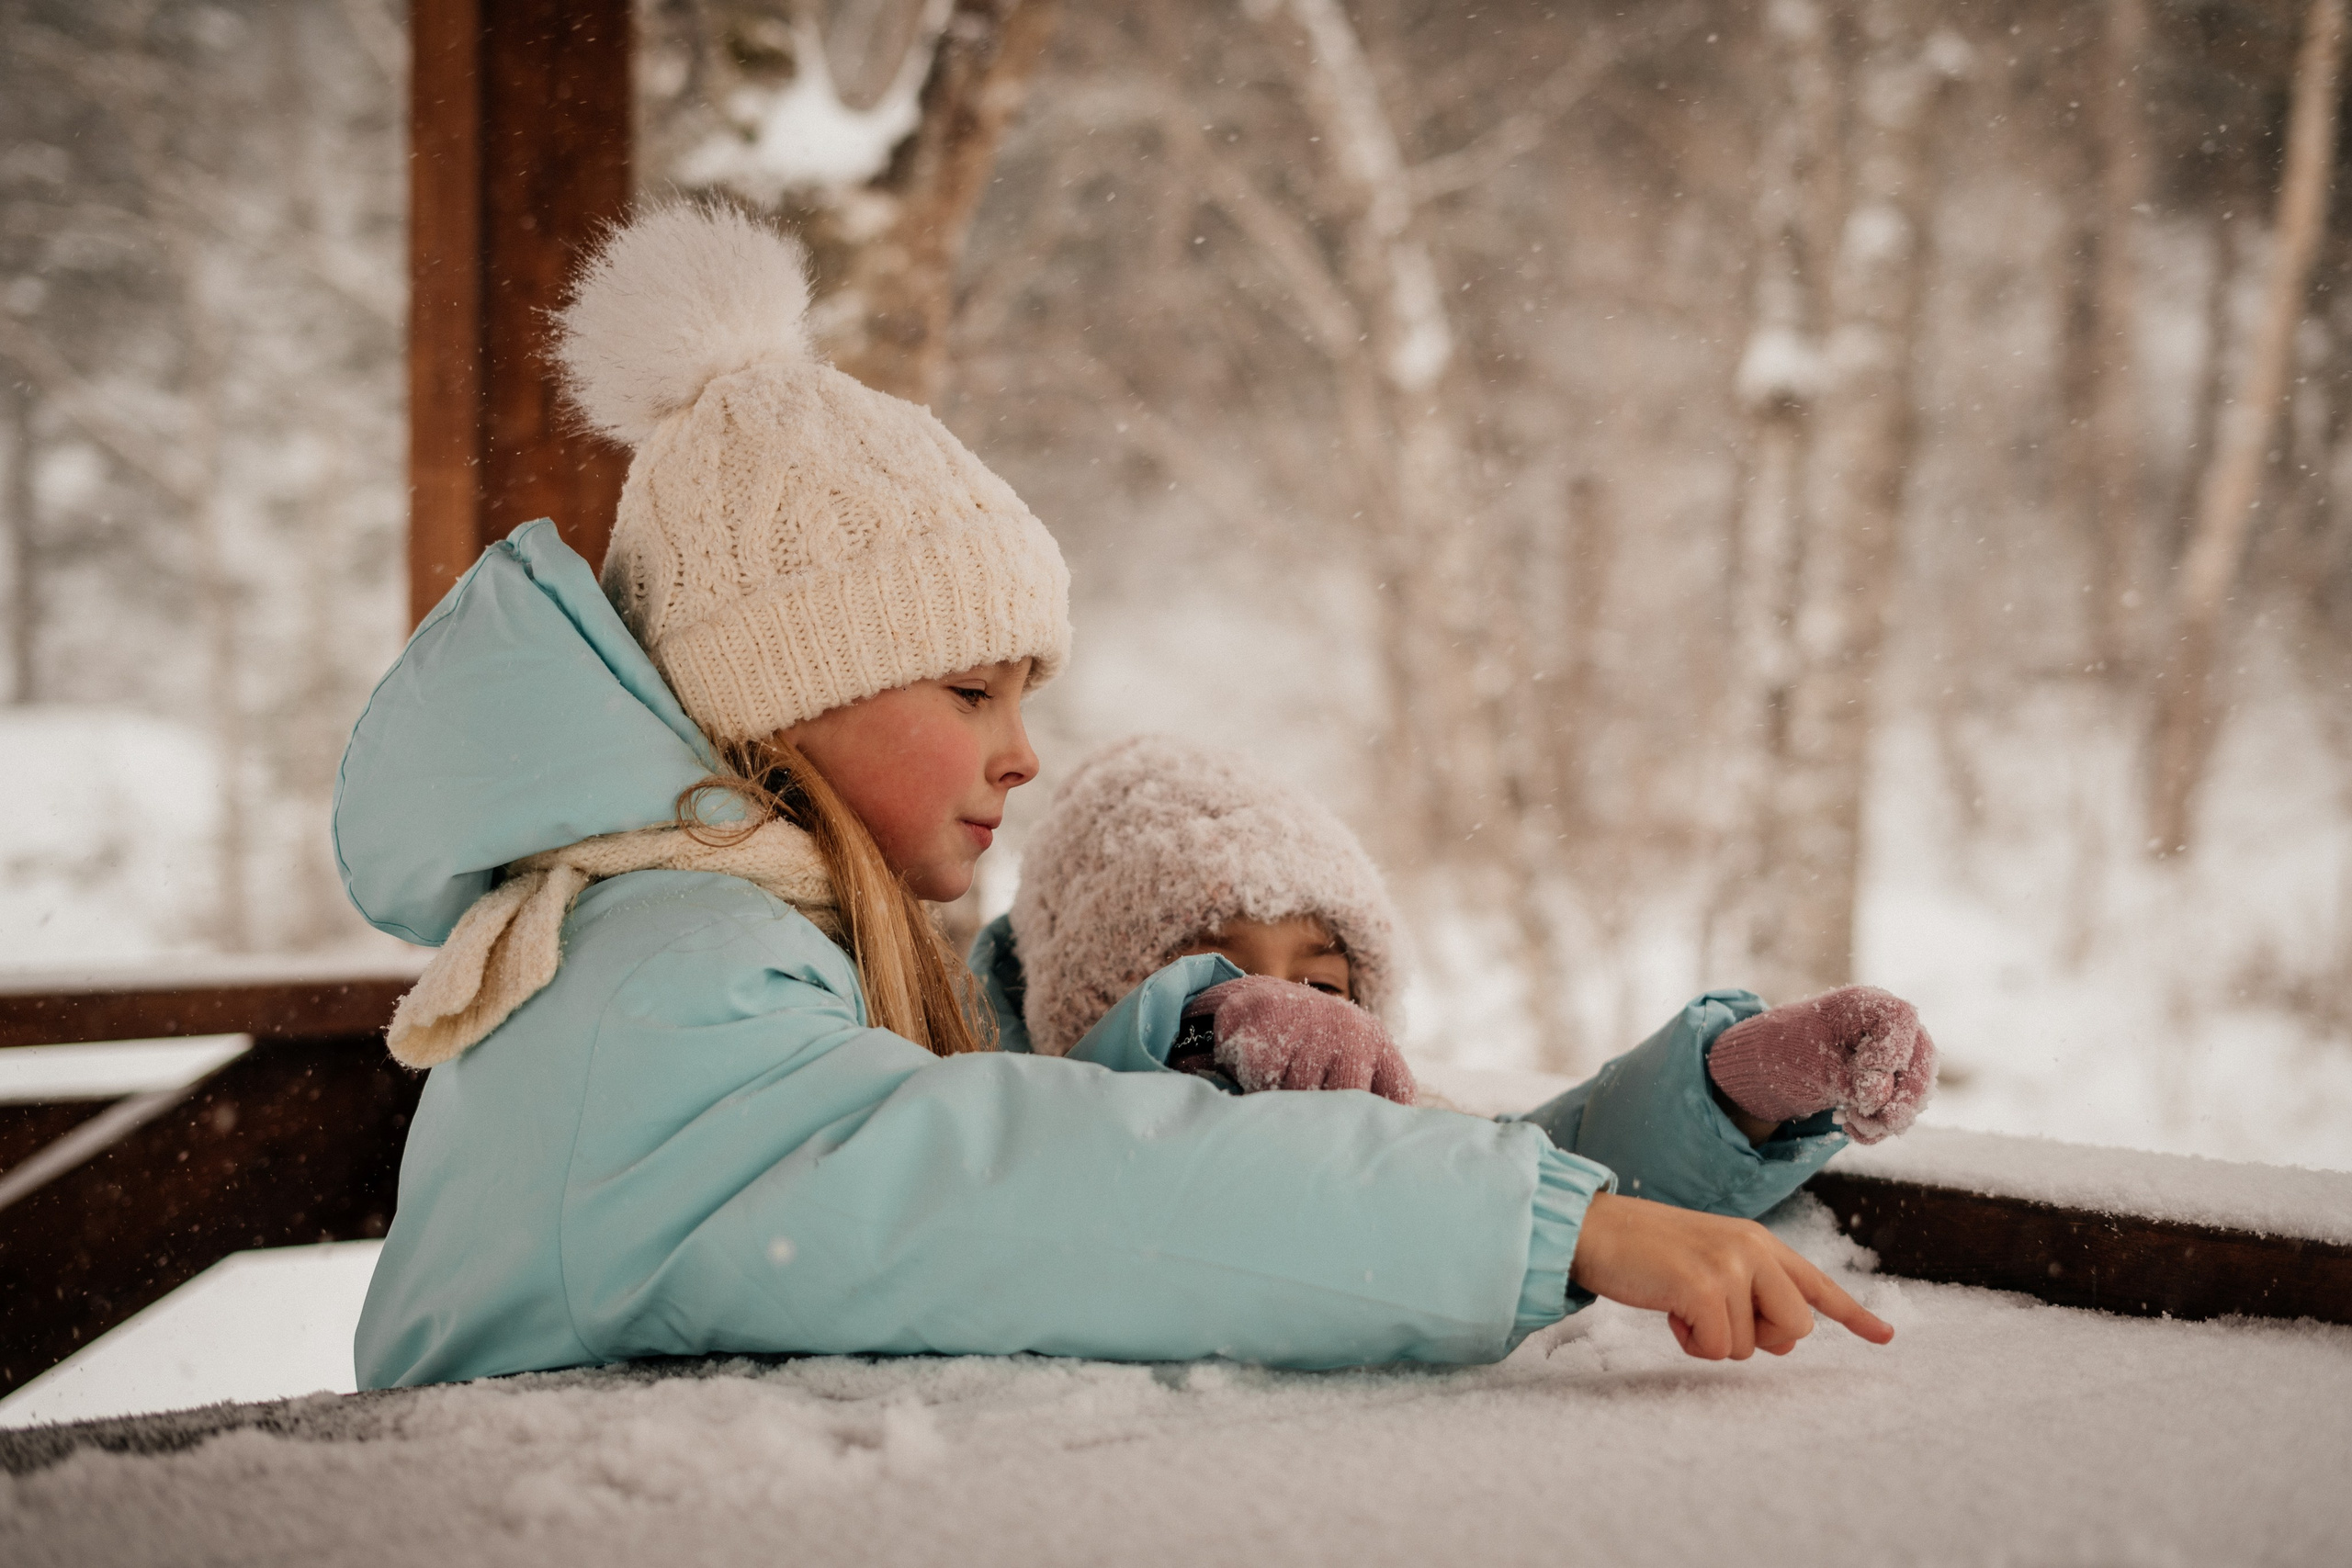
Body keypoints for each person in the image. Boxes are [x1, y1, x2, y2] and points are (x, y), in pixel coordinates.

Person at [341, 202, 1891, 1392]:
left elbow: (1005, 1121)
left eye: (1030, 694)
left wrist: (1184, 1037)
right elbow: (1041, 1191)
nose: (1022, 751)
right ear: (782, 697)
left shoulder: (749, 957)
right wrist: (1555, 1228)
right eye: (970, 690)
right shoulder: (670, 986)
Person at [978, 733, 1938, 1217]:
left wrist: (1735, 1091)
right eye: (1207, 981)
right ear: (1085, 1006)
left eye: (1321, 988)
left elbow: (1539, 1175)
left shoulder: (1363, 1115)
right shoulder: (981, 1131)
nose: (1278, 1014)